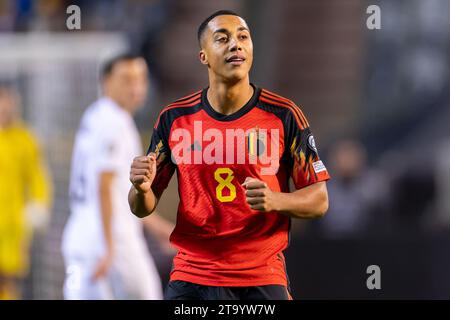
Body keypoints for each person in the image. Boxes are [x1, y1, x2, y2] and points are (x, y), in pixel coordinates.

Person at [128, 10, 330, 300]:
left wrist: (276, 200)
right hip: (192, 277)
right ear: (204, 56)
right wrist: (140, 188)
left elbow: (319, 199)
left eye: (243, 37)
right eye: (222, 39)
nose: (235, 44)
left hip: (259, 276)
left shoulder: (283, 115)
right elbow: (141, 207)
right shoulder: (175, 118)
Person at [61, 54, 174, 300]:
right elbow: (104, 185)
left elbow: (119, 192)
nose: (136, 87)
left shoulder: (95, 115)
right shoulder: (115, 122)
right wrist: (109, 247)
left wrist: (159, 229)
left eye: (140, 79)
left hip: (81, 238)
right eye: (127, 79)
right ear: (106, 82)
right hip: (112, 242)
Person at [0, 86, 52, 299]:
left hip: (13, 226)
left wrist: (39, 205)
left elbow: (37, 177)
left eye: (9, 103)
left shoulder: (25, 139)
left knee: (8, 281)